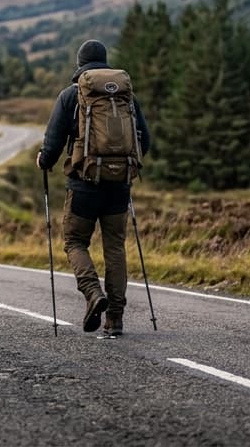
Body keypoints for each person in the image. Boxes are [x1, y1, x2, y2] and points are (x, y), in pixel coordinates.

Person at [36, 39, 151, 337]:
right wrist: (120, 165)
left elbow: (53, 142)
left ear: (80, 65)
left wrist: (44, 161)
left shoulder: (70, 96)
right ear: (105, 61)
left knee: (74, 241)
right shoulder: (125, 97)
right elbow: (145, 140)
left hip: (83, 186)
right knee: (114, 247)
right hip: (119, 186)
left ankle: (92, 293)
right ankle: (115, 317)